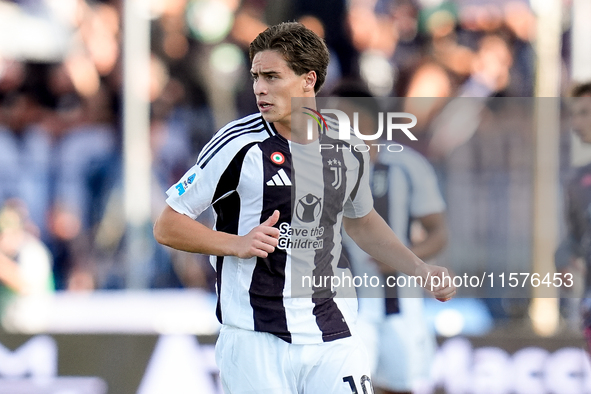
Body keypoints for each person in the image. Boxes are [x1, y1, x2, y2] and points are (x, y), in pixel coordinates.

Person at [153, 22, 456, 394]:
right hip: (255, 338)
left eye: (272, 76)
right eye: (255, 77)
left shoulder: (346, 146)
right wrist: (234, 243)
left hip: (334, 333)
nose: (260, 88)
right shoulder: (238, 145)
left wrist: (419, 268)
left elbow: (360, 221)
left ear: (307, 80)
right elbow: (167, 224)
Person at [332, 82, 448, 394]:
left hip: (399, 305)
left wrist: (403, 258)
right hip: (345, 308)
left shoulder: (407, 166)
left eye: (338, 116)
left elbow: (438, 232)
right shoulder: (323, 167)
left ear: (363, 120)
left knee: (400, 387)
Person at [555, 82, 591, 350]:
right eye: (574, 114)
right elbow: (576, 238)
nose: (576, 123)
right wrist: (563, 258)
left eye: (585, 113)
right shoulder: (578, 181)